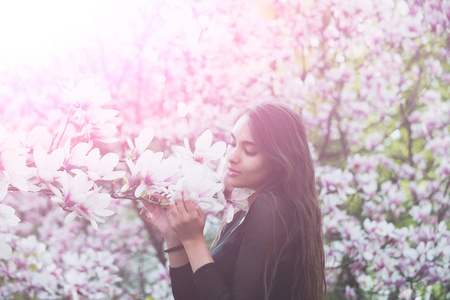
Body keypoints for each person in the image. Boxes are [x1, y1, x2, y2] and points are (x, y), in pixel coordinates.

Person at [140, 102, 326, 300]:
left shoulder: (272, 209)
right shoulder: (242, 215)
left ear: (279, 162)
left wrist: (193, 240)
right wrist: (174, 238)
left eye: (250, 151)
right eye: (232, 143)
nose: (232, 157)